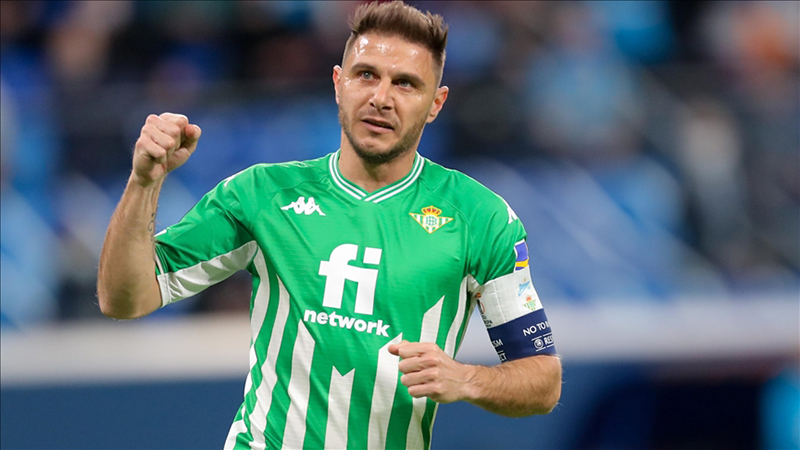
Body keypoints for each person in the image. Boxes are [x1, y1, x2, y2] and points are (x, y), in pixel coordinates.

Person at [97, 1, 562, 448]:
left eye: (405, 84)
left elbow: (543, 380)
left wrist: (467, 379)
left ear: (435, 103)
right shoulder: (262, 195)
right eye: (366, 75)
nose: (380, 98)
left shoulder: (481, 218)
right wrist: (144, 182)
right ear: (339, 83)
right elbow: (124, 298)